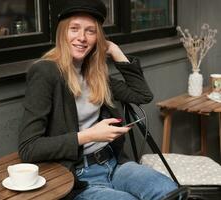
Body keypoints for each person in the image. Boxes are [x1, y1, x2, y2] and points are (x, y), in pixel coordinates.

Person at [18, 0, 177, 199]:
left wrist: (115, 50)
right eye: (74, 29)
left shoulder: (94, 73)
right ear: (62, 33)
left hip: (114, 164)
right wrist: (90, 135)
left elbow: (142, 95)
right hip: (77, 177)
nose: (81, 38)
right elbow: (29, 148)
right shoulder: (45, 71)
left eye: (90, 31)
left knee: (169, 191)